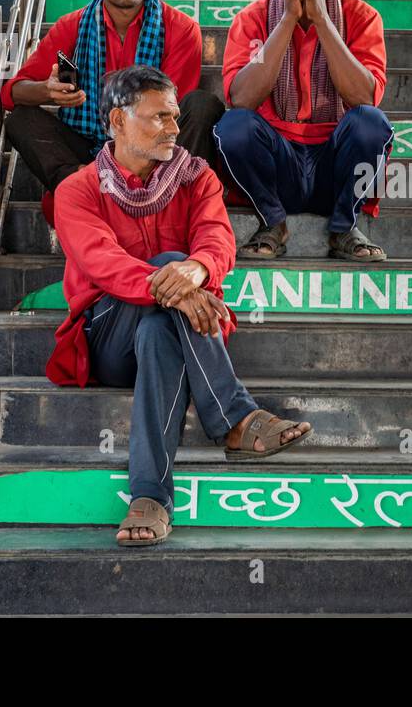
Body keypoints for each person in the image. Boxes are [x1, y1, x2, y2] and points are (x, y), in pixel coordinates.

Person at [47, 65, 311, 546]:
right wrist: (180, 282)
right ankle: (234, 418)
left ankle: (149, 497)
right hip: (109, 339)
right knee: (166, 274)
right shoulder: (78, 190)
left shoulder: (196, 177)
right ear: (118, 121)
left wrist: (197, 270)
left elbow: (217, 240)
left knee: (158, 330)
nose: (174, 127)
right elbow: (104, 264)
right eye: (159, 117)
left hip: (175, 333)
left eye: (174, 116)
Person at [213, 0, 393, 262]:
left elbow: (364, 97)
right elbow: (242, 99)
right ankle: (273, 223)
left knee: (372, 123)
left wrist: (322, 19)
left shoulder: (362, 17)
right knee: (233, 126)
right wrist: (287, 20)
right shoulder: (251, 18)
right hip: (277, 166)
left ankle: (343, 227)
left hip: (334, 167)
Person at [1, 0, 223, 210]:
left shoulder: (181, 28)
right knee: (21, 119)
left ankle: (154, 190)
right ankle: (83, 184)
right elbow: (12, 93)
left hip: (154, 147)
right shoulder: (71, 26)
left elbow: (170, 110)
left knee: (202, 105)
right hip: (88, 147)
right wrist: (47, 91)